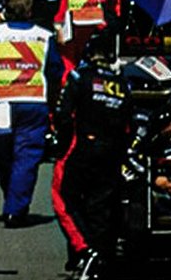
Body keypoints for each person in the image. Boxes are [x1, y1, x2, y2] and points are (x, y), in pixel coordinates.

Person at [0, 0, 64, 227]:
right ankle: (16, 205)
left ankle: (12, 200)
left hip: (0, 101)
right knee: (27, 157)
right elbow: (54, 73)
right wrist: (53, 103)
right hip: (34, 101)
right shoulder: (44, 36)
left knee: (2, 155)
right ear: (30, 9)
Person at [50, 31, 131, 280]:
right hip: (112, 152)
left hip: (83, 148)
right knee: (101, 206)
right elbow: (130, 125)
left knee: (67, 199)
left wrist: (62, 141)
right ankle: (100, 258)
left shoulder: (78, 76)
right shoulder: (122, 85)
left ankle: (87, 251)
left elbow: (62, 114)